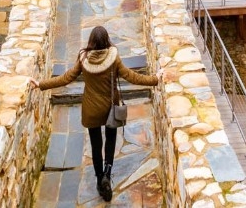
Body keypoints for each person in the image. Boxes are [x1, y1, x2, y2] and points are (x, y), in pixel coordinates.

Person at [29, 25, 174, 202]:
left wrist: (40, 84)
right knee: (111, 140)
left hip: (91, 110)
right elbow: (132, 77)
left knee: (96, 145)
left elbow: (66, 78)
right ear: (106, 40)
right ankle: (107, 172)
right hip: (110, 108)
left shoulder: (83, 59)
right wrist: (155, 79)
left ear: (91, 41)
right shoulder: (113, 58)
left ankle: (99, 179)